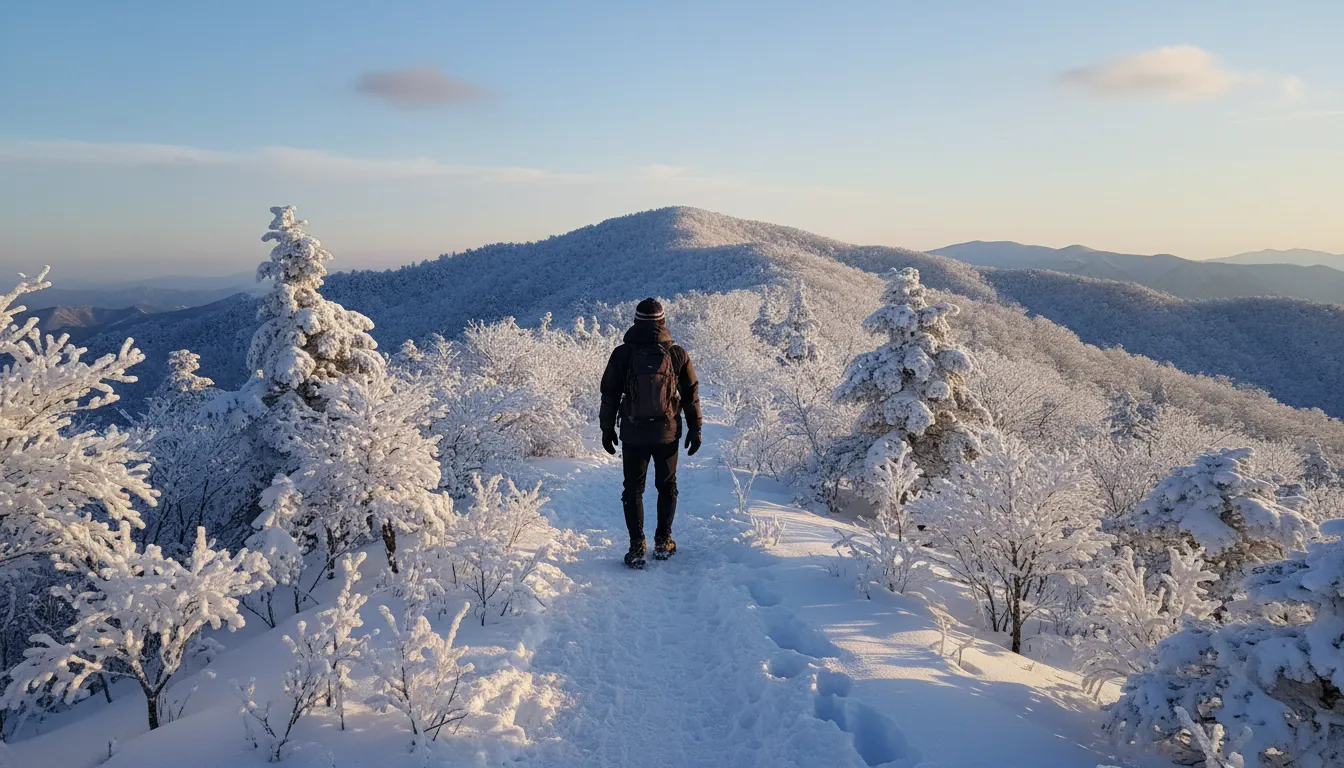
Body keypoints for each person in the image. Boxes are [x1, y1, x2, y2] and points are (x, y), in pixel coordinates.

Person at [600, 298, 702, 568]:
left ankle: (637, 546)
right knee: (667, 486)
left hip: (634, 432)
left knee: (633, 489)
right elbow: (691, 395)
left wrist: (607, 428)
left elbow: (609, 394)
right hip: (667, 433)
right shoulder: (677, 354)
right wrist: (695, 428)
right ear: (663, 321)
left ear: (636, 321)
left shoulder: (622, 354)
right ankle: (664, 540)